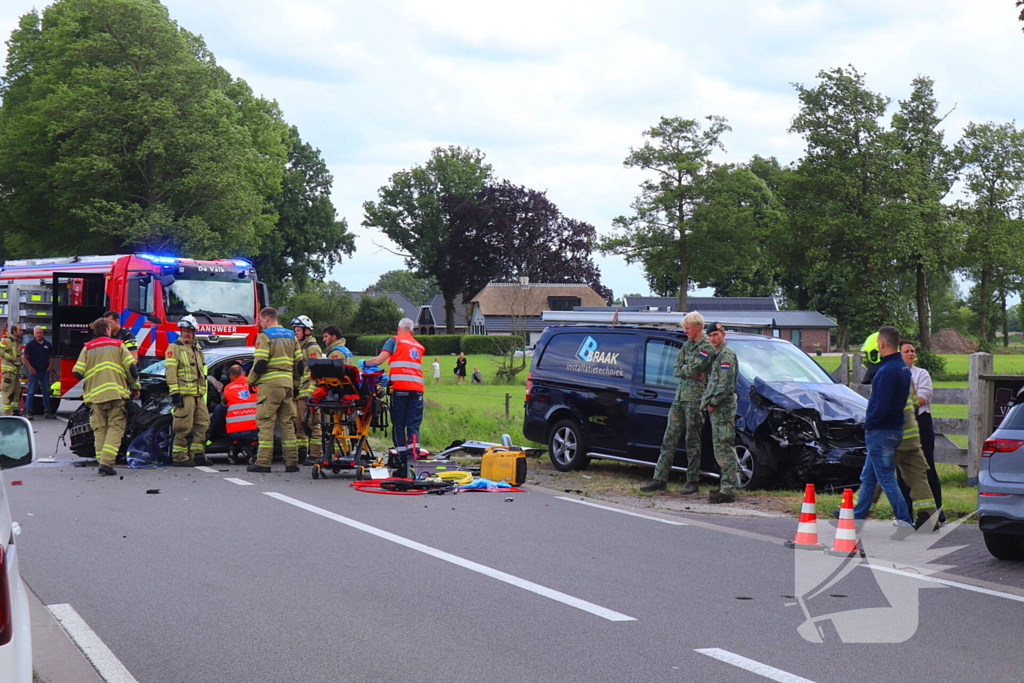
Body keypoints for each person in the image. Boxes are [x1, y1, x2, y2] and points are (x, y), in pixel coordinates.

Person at [640, 312, 715, 495]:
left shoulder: (706, 347)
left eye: (688, 328)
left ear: (697, 327)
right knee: (669, 438)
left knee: (692, 440)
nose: (685, 331)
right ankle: (660, 478)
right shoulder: (686, 345)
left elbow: (697, 367)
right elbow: (676, 369)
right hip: (680, 397)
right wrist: (688, 372)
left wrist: (687, 370)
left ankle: (692, 480)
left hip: (695, 400)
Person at [853, 326, 915, 539]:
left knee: (886, 478)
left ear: (881, 344)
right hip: (894, 429)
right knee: (869, 477)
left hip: (881, 430)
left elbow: (881, 403)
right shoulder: (902, 367)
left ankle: (905, 520)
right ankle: (856, 520)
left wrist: (870, 424)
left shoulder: (887, 370)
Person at [72, 318, 140, 475]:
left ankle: (101, 460)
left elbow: (77, 372)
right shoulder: (118, 345)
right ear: (108, 330)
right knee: (115, 428)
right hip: (116, 394)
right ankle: (107, 463)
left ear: (95, 331)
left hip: (95, 397)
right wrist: (135, 387)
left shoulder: (87, 348)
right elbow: (132, 369)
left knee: (100, 429)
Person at [364, 318, 425, 479]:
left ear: (399, 329)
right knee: (413, 426)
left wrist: (364, 363)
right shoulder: (419, 346)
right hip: (417, 391)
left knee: (399, 425)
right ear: (412, 331)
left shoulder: (394, 341)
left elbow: (379, 360)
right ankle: (413, 462)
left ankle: (402, 463)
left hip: (400, 389)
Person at [247, 307, 303, 473]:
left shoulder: (265, 336)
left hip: (270, 385)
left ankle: (263, 462)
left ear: (266, 319)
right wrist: (296, 385)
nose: (260, 324)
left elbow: (261, 363)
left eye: (260, 320)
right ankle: (292, 462)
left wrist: (251, 380)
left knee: (266, 423)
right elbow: (299, 365)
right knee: (287, 424)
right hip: (287, 384)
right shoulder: (291, 335)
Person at [901, 340, 945, 525]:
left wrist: (898, 401)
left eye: (913, 351)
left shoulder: (922, 374)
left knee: (927, 468)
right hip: (901, 424)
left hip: (920, 423)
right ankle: (905, 515)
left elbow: (922, 398)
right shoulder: (893, 374)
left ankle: (937, 513)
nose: (911, 353)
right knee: (901, 471)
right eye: (906, 351)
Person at [701, 322, 740, 504]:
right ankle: (724, 486)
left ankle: (728, 490)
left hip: (722, 408)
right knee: (719, 447)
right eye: (710, 336)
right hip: (717, 409)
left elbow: (725, 384)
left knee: (724, 447)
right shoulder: (717, 354)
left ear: (723, 334)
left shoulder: (726, 355)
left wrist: (713, 403)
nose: (712, 338)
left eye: (715, 335)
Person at [166, 315, 210, 467]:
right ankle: (179, 456)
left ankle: (197, 454)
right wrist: (174, 393)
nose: (186, 334)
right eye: (183, 331)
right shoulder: (175, 347)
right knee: (183, 426)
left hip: (198, 394)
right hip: (184, 394)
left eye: (189, 331)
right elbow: (170, 371)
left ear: (194, 332)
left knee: (203, 423)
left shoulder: (197, 347)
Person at [291, 316, 323, 467]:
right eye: (295, 330)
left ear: (307, 331)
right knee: (299, 425)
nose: (296, 333)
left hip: (308, 394)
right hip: (299, 393)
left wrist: (312, 393)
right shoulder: (299, 346)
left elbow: (317, 372)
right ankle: (302, 453)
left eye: (298, 330)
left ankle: (316, 454)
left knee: (312, 424)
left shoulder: (312, 347)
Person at [222, 364, 258, 449]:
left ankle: (235, 447)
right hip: (253, 429)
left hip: (233, 431)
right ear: (244, 373)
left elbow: (224, 403)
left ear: (230, 376)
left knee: (219, 409)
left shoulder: (227, 388)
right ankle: (252, 448)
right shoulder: (254, 385)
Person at [22, 326, 55, 419]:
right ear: (34, 334)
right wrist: (30, 368)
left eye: (40, 333)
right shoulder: (30, 345)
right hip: (34, 373)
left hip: (45, 372)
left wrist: (49, 368)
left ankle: (48, 412)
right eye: (37, 333)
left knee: (46, 392)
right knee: (31, 391)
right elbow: (24, 358)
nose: (39, 335)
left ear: (43, 333)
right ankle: (28, 411)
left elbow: (51, 357)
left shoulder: (48, 344)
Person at [0, 323, 23, 416]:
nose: (22, 332)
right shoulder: (8, 341)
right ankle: (7, 414)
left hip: (15, 372)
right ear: (14, 331)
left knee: (16, 392)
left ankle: (14, 411)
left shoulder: (16, 342)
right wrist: (9, 357)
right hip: (9, 373)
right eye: (20, 330)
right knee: (8, 392)